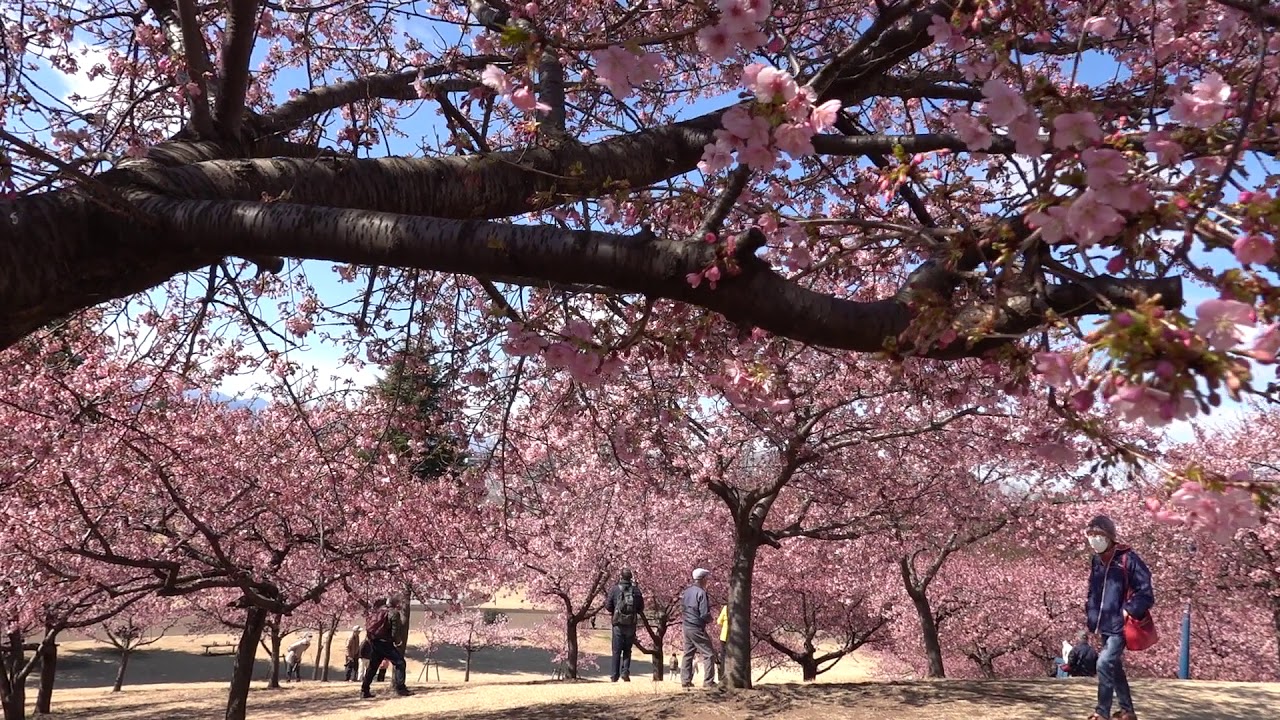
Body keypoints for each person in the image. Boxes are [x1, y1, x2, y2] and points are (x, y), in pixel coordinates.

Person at [1084, 515, 1154, 720]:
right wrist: (1090, 612)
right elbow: (1093, 591)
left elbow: (1146, 592)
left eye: (1098, 535)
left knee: (1104, 663)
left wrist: (1129, 610)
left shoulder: (1128, 558)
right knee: (1114, 667)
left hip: (1122, 624)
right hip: (1103, 623)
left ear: (1109, 536)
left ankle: (1101, 712)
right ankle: (1127, 710)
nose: (1093, 539)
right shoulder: (1096, 561)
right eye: (1090, 535)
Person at [360, 597, 412, 698]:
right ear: (396, 604)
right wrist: (398, 642)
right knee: (400, 663)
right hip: (386, 644)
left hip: (375, 642)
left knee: (373, 667)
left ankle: (364, 690)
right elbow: (394, 632)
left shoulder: (378, 612)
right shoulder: (394, 613)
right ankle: (401, 688)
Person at [603, 567, 645, 682]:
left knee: (616, 650)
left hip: (618, 624)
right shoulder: (636, 590)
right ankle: (625, 672)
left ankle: (614, 675)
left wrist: (615, 612)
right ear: (631, 577)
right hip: (631, 623)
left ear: (621, 576)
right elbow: (641, 607)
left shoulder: (615, 589)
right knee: (627, 649)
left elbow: (608, 606)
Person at [680, 567, 715, 688]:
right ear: (703, 579)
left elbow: (682, 608)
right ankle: (708, 682)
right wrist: (711, 619)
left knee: (688, 653)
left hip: (686, 625)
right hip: (696, 626)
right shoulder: (701, 593)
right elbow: (704, 613)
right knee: (709, 653)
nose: (707, 581)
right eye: (706, 579)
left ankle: (685, 680)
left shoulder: (686, 592)